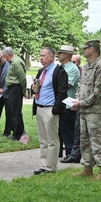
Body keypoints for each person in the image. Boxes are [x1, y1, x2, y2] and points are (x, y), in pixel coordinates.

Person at [71, 39, 101, 181]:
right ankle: (87, 167)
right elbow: (79, 87)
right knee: (85, 140)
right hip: (84, 109)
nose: (83, 50)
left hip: (96, 110)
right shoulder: (86, 67)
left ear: (92, 49)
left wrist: (81, 103)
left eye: (85, 48)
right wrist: (76, 101)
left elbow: (99, 92)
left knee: (98, 140)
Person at [32, 46, 69, 175]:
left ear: (52, 57)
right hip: (39, 107)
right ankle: (44, 165)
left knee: (52, 140)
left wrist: (55, 110)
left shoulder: (59, 71)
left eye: (43, 56)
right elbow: (38, 88)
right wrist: (34, 88)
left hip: (50, 109)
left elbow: (62, 92)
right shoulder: (41, 71)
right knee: (43, 139)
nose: (41, 58)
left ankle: (51, 167)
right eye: (40, 55)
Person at [56, 46, 80, 162]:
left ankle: (71, 153)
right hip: (61, 104)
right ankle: (59, 151)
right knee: (60, 130)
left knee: (69, 131)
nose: (58, 55)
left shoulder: (72, 69)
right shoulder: (61, 67)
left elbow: (66, 85)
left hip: (69, 104)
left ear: (66, 54)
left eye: (60, 53)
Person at [3, 46, 27, 141]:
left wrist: (24, 91)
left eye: (5, 56)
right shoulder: (13, 61)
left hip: (15, 89)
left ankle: (18, 134)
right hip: (12, 89)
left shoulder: (16, 62)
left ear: (8, 55)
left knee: (15, 112)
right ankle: (17, 133)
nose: (5, 58)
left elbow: (22, 77)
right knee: (12, 111)